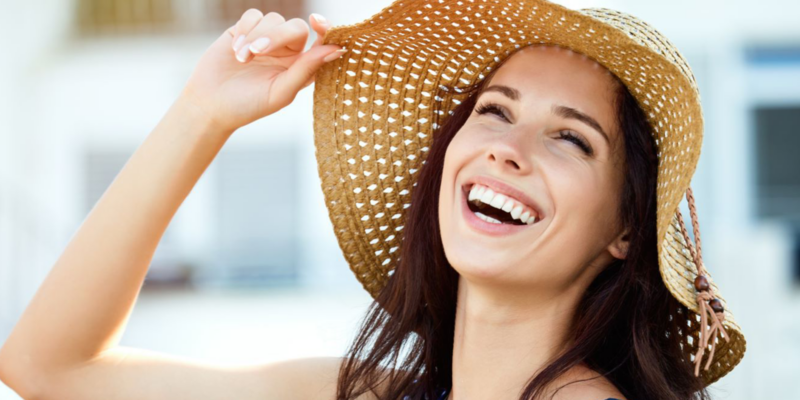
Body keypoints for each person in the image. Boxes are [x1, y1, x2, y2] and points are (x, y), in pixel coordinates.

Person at [0, 1, 745, 400]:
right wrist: (202, 114)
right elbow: (47, 368)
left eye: (571, 139)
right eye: (494, 110)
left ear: (624, 228)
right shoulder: (360, 392)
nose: (506, 148)